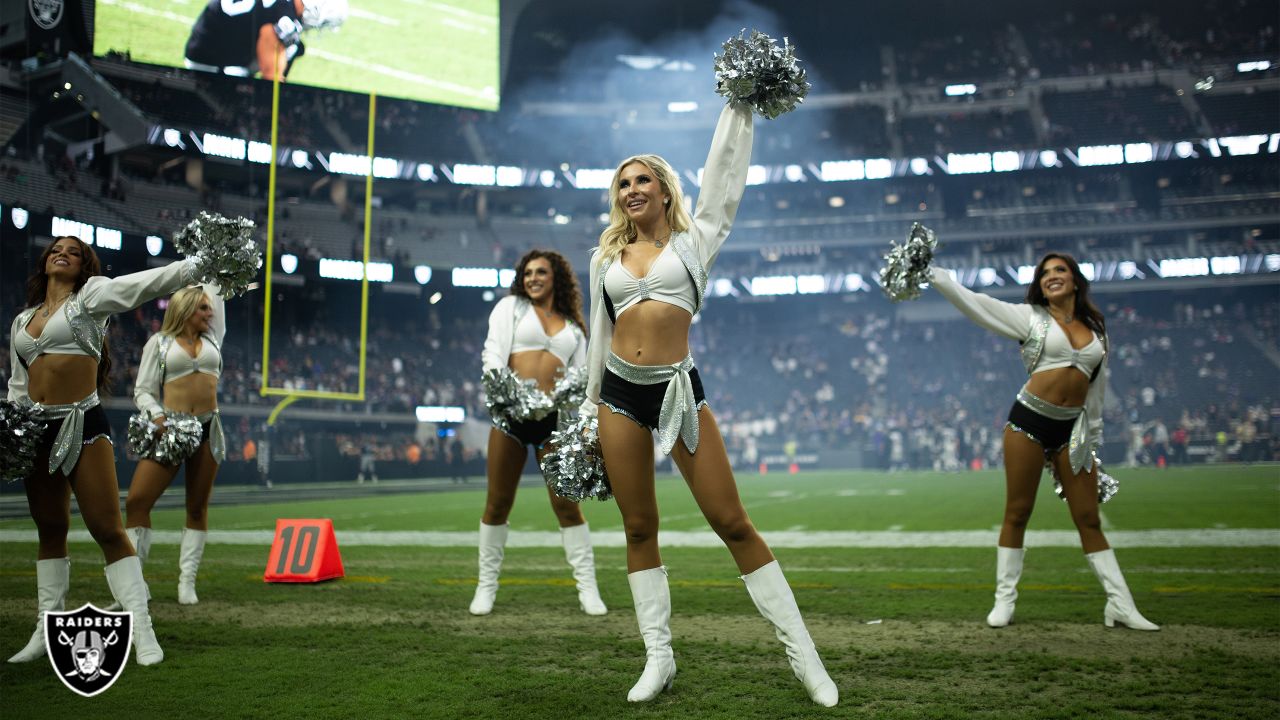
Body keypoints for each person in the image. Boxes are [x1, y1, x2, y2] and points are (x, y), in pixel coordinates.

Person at [578, 102, 838, 706]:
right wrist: (591, 413)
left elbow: (723, 174)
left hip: (676, 390)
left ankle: (806, 659)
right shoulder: (603, 258)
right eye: (623, 182)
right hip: (618, 394)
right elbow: (598, 335)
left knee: (732, 521)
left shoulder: (697, 240)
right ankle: (658, 658)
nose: (631, 188)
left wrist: (738, 105)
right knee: (638, 526)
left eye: (643, 179)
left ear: (665, 191)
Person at [928, 253, 1159, 631]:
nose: (1052, 276)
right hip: (1028, 424)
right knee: (1018, 512)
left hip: (1074, 431)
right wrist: (938, 277)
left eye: (1060, 270)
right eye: (1045, 273)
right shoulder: (1030, 317)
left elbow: (1096, 390)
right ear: (1040, 284)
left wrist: (1094, 438)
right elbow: (977, 304)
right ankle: (1004, 601)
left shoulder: (1096, 329)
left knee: (1088, 517)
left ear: (1075, 280)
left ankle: (1121, 605)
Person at [7, 236, 201, 666]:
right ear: (45, 261)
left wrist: (195, 266)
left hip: (81, 423)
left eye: (74, 252)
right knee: (50, 529)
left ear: (83, 266)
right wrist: (14, 427)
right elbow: (18, 386)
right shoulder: (23, 322)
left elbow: (146, 284)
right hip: (36, 428)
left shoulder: (91, 297)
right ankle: (46, 628)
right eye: (57, 249)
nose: (63, 253)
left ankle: (142, 630)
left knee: (108, 529)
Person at [472, 250, 606, 617]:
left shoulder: (575, 328)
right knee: (497, 503)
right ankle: (486, 587)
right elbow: (493, 354)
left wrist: (583, 429)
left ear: (555, 277)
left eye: (541, 272)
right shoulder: (510, 308)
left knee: (567, 507)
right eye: (528, 272)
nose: (533, 278)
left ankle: (587, 589)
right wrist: (507, 396)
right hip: (512, 417)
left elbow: (583, 381)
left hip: (554, 423)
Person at [121, 284, 228, 606]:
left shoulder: (213, 338)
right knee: (137, 501)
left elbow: (217, 291)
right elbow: (142, 390)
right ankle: (136, 584)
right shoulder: (160, 343)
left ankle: (187, 583)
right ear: (185, 310)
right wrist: (157, 417)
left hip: (209, 427)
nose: (210, 314)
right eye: (203, 309)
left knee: (197, 507)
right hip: (171, 428)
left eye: (211, 309)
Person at [183, 0, 348, 81]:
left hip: (207, 40)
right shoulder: (285, 19)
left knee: (293, 47)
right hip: (212, 63)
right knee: (290, 49)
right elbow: (271, 79)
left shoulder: (283, 7)